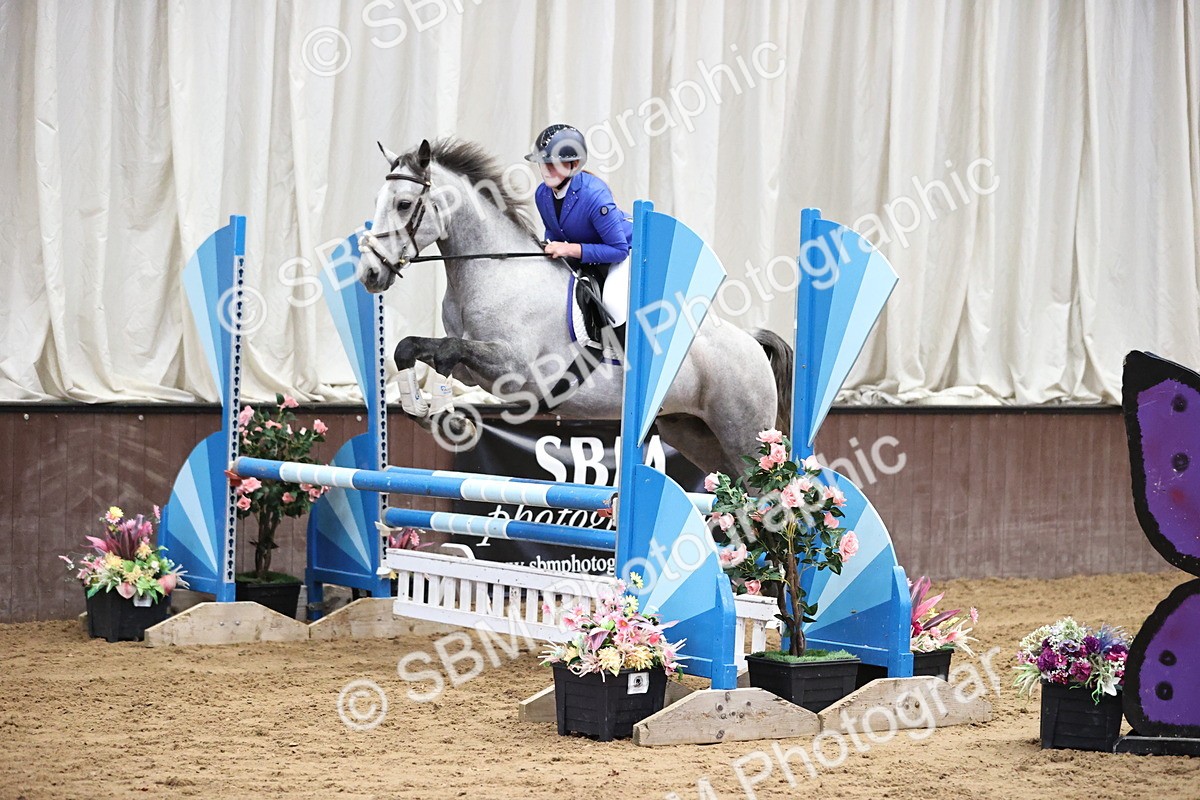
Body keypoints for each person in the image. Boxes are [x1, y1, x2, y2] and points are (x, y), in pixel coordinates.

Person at [525, 124, 632, 339]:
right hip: (586, 256)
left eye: (553, 163)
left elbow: (618, 250)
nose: (546, 169)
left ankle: (626, 364)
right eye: (543, 163)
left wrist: (569, 249)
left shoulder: (595, 196)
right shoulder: (542, 194)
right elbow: (555, 232)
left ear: (574, 164)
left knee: (612, 304)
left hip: (626, 253)